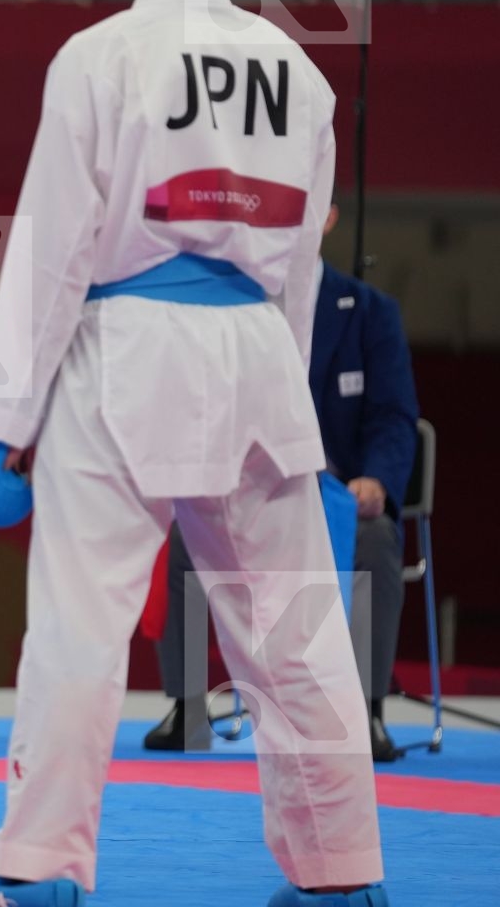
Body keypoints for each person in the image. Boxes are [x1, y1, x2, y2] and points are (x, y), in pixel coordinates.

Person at [0, 0, 386, 907]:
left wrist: (0, 423)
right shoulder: (298, 71)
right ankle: (342, 877)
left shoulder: (101, 55)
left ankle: (41, 870)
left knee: (79, 625)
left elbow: (52, 251)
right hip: (255, 357)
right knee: (295, 634)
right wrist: (300, 424)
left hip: (127, 354)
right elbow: (295, 268)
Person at [146, 203, 420, 762]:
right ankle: (187, 705)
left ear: (329, 218)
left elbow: (394, 417)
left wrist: (376, 482)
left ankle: (365, 710)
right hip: (243, 488)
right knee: (181, 543)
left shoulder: (369, 312)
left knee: (377, 541)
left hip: (337, 497)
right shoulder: (231, 306)